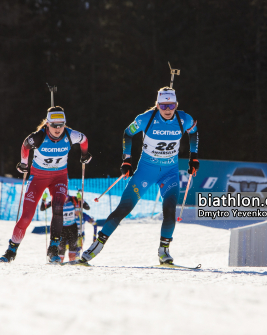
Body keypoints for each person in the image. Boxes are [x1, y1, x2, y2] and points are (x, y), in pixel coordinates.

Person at [79, 87, 199, 265]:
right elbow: (127, 133)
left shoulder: (184, 119)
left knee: (170, 211)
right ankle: (97, 245)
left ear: (176, 105)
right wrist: (127, 161)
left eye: (171, 105)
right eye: (163, 105)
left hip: (170, 173)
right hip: (146, 172)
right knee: (124, 209)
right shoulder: (145, 119)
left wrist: (193, 157)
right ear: (157, 105)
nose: (167, 109)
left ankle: (164, 251)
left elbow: (194, 132)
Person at [0, 106, 92, 263]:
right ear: (47, 124)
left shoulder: (71, 135)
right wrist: (23, 164)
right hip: (38, 178)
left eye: (61, 125)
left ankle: (53, 248)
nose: (57, 129)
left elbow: (84, 140)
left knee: (58, 208)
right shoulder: (38, 137)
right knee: (27, 216)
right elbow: (25, 145)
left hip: (59, 177)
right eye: (54, 125)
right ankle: (11, 249)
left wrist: (85, 155)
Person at [40, 192, 97, 262]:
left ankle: (72, 264)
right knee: (61, 251)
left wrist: (81, 199)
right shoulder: (56, 200)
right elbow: (43, 208)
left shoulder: (74, 199)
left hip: (73, 228)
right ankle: (59, 263)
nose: (64, 199)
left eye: (65, 196)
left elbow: (87, 207)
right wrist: (43, 199)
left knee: (73, 250)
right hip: (62, 229)